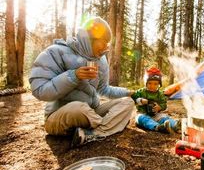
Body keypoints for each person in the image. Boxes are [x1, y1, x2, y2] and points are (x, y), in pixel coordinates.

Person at [29, 16, 135, 148]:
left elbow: (104, 90)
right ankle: (109, 125)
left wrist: (129, 92)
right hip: (59, 115)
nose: (105, 48)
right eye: (103, 42)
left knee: (127, 102)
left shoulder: (101, 60)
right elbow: (40, 90)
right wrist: (73, 76)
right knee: (79, 108)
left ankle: (93, 133)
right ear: (89, 38)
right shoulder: (56, 52)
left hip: (91, 112)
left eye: (108, 44)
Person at [131, 66, 181, 133]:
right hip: (143, 114)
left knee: (165, 118)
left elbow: (164, 104)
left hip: (156, 115)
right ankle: (159, 127)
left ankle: (175, 125)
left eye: (155, 84)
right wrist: (140, 100)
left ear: (159, 84)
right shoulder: (141, 92)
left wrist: (159, 107)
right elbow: (133, 97)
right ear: (145, 83)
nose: (152, 86)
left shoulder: (160, 94)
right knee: (141, 119)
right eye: (149, 83)